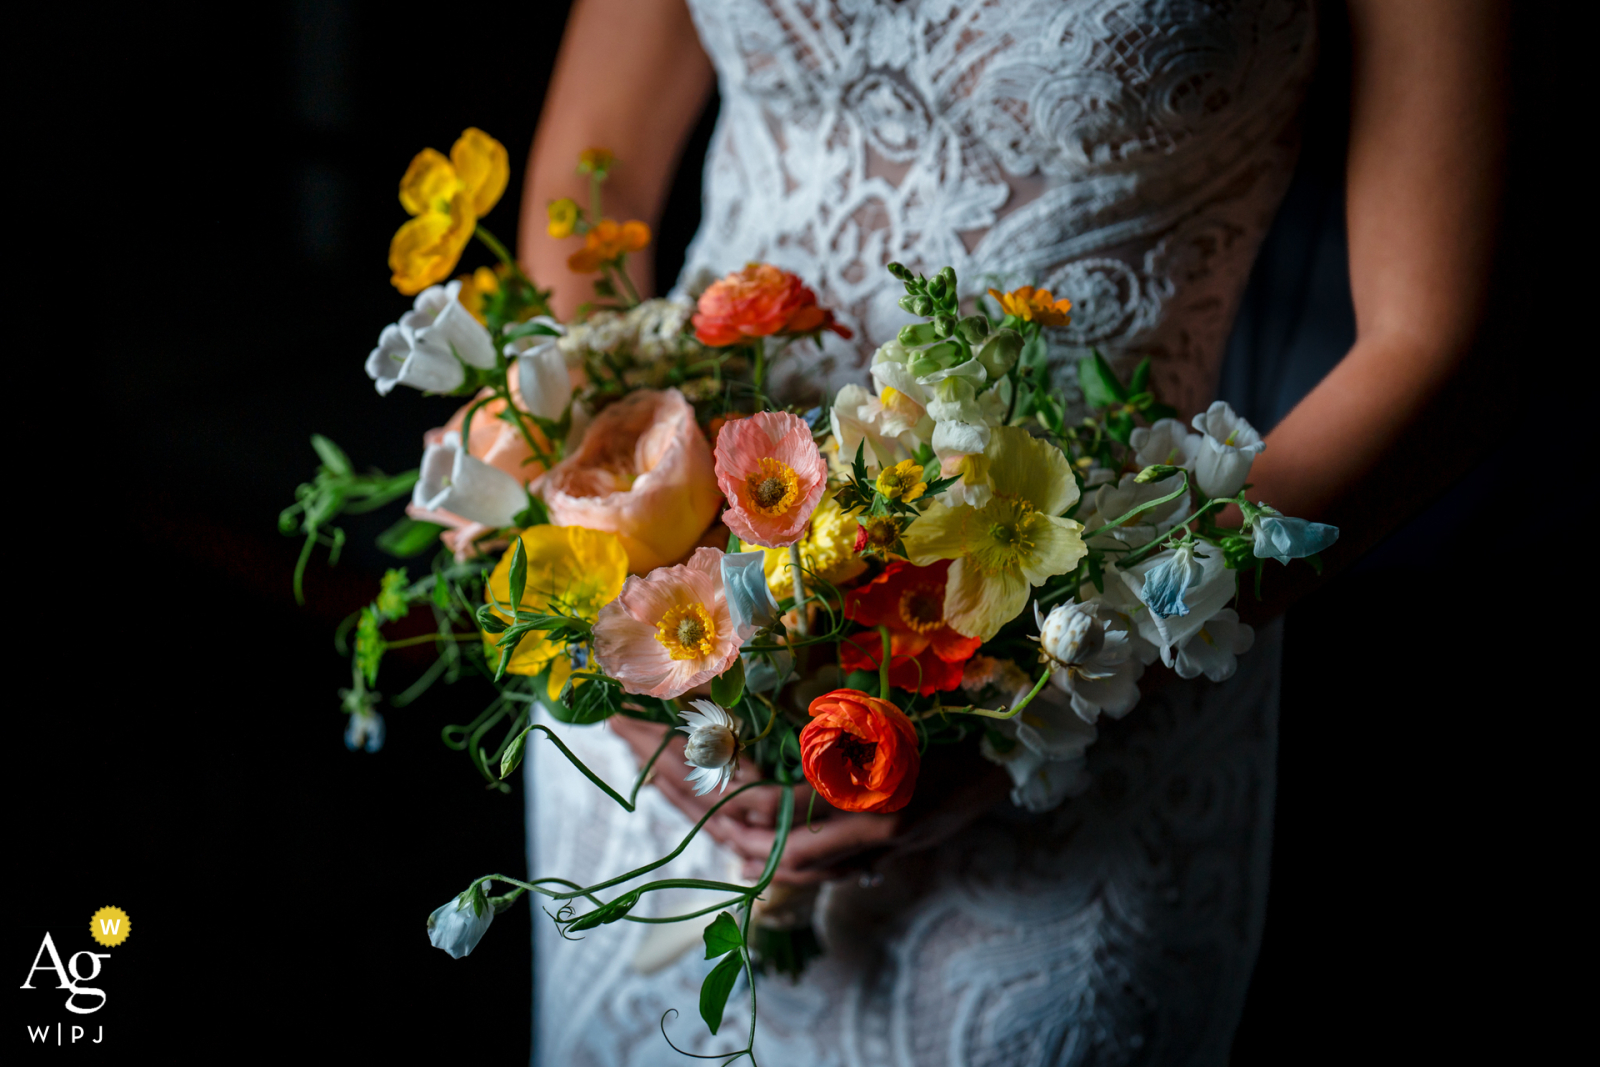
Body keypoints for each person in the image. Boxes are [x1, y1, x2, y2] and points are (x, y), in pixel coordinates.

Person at [517, 2, 1504, 1063]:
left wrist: (1052, 703)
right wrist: (602, 581)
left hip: (1093, 680)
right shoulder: (644, 640)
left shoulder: (1075, 692)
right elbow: (595, 175)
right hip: (673, 639)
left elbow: (1439, 339)